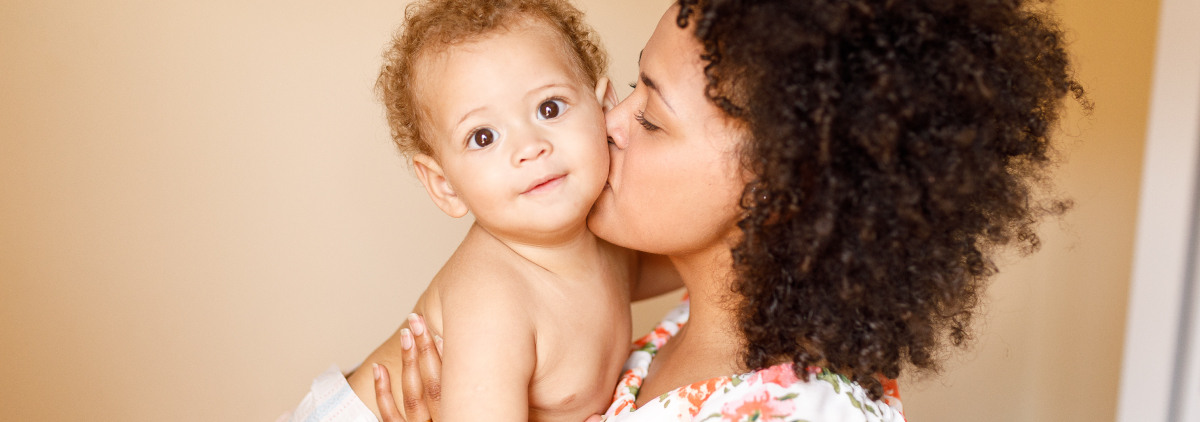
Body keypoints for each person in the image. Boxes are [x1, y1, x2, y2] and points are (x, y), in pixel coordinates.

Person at [371, 0, 1087, 420]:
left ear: (780, 182)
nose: (609, 123)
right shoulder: (688, 316)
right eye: (630, 89)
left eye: (652, 116)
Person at [281, 0, 686, 421]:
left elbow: (703, 257)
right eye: (483, 136)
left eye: (550, 108)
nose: (529, 147)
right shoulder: (494, 299)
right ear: (445, 186)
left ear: (604, 110)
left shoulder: (614, 248)